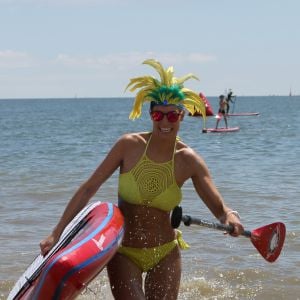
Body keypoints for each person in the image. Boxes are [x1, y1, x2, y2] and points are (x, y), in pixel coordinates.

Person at [40, 59, 244, 300]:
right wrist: (57, 232)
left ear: (182, 116)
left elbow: (218, 207)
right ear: (150, 114)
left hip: (165, 252)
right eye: (158, 114)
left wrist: (231, 216)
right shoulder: (128, 146)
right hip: (124, 251)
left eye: (173, 115)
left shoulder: (189, 160)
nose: (165, 122)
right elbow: (89, 188)